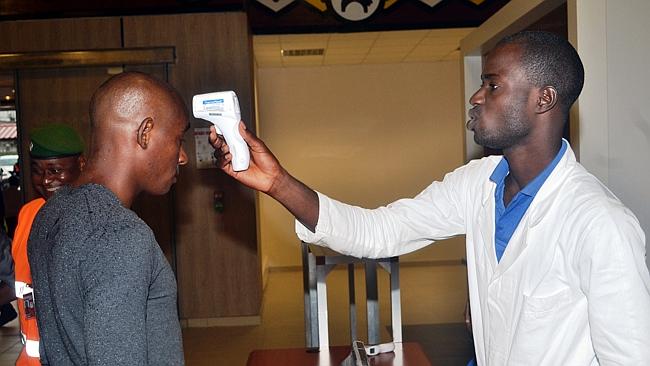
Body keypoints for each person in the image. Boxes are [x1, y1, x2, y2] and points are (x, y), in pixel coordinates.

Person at [211, 31, 650, 364]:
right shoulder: (479, 184)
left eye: (493, 86)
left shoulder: (601, 224)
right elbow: (379, 232)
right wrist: (277, 182)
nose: (476, 97)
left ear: (544, 99)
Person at [28, 72, 188, 365]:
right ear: (146, 133)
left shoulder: (50, 213)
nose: (183, 157)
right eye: (178, 139)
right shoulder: (120, 235)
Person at [12, 124, 86, 365]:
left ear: (81, 165)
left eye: (55, 170)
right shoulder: (28, 214)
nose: (45, 180)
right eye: (37, 170)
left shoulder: (92, 219)